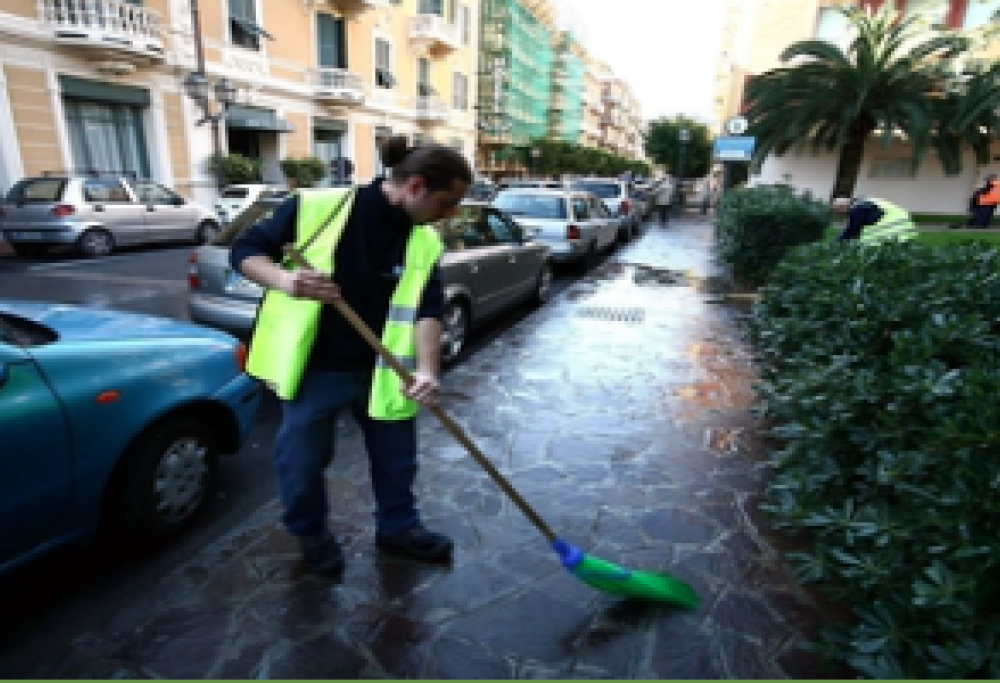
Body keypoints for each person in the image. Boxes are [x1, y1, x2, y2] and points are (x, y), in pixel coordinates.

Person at [230, 137, 472, 575]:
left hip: (387, 371)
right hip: (316, 367)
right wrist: (287, 282)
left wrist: (428, 371)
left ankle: (398, 528)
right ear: (416, 186)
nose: (452, 212)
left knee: (397, 460)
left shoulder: (424, 240)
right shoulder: (317, 207)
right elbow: (245, 251)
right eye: (448, 202)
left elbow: (429, 308)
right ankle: (311, 533)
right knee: (301, 463)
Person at [830, 195, 917, 244]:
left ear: (843, 206)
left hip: (895, 228)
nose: (839, 214)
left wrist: (837, 241)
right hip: (905, 226)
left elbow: (853, 230)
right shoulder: (863, 201)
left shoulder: (857, 209)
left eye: (837, 211)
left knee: (866, 242)